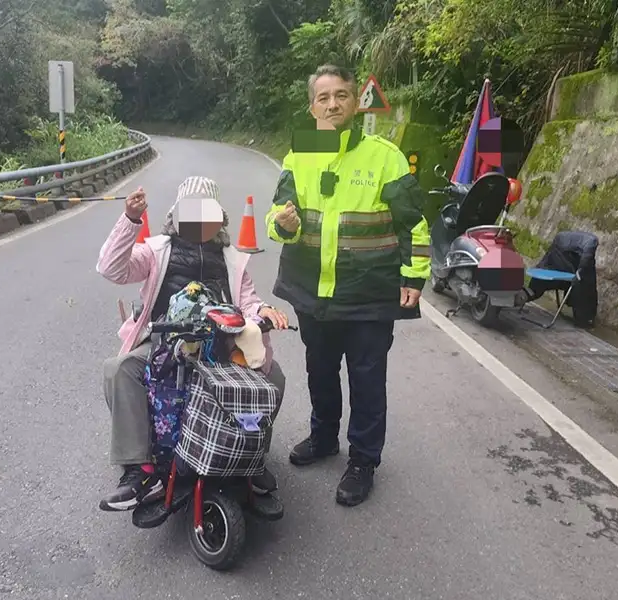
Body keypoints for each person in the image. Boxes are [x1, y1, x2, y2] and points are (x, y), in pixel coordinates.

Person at [265, 64, 431, 507]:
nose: (333, 104)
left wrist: (413, 276)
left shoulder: (384, 155)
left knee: (367, 378)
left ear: (355, 102)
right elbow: (277, 220)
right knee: (319, 370)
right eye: (324, 97)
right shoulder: (300, 153)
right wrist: (283, 224)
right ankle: (323, 439)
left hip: (370, 292)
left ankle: (363, 461)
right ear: (311, 106)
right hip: (312, 291)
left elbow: (413, 222)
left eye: (341, 95)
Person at [96, 175, 290, 512]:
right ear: (176, 216)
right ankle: (139, 470)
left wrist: (264, 311)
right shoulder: (156, 251)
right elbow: (111, 269)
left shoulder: (233, 258)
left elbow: (248, 303)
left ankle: (251, 456)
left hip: (219, 347)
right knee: (119, 369)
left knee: (273, 379)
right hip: (163, 343)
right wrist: (130, 221)